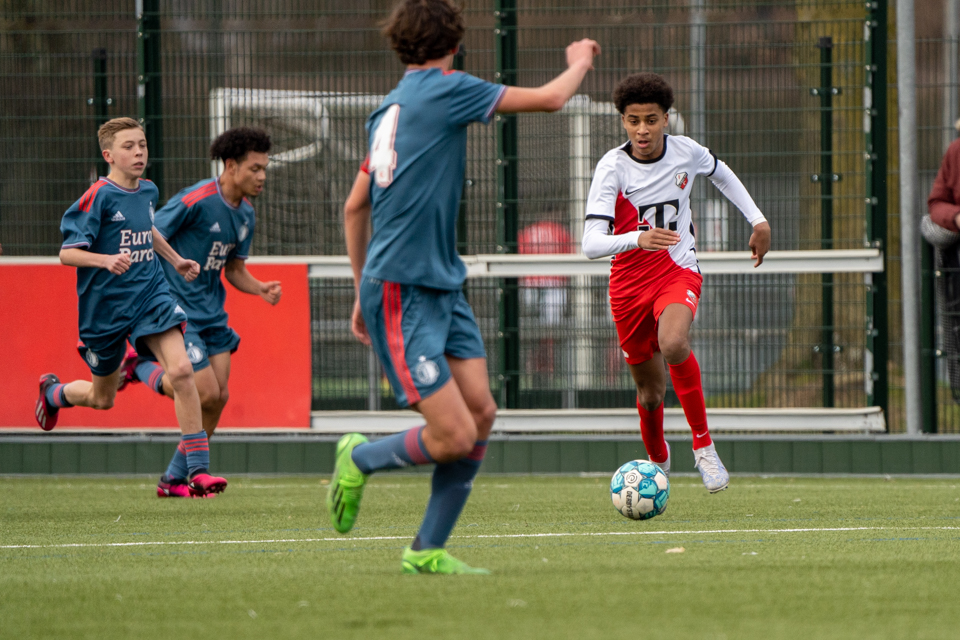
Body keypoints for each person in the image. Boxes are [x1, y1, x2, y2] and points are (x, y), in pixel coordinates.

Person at [332, 0, 599, 574]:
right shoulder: (446, 88)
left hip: (436, 286)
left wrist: (360, 288)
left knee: (479, 412)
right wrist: (579, 60)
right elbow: (552, 98)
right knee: (451, 435)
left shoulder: (388, 109)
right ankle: (361, 457)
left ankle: (426, 550)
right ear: (454, 42)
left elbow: (355, 208)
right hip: (404, 289)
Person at [581, 72, 771, 493]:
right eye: (633, 121)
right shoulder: (611, 167)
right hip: (628, 285)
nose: (642, 130)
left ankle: (704, 448)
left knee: (674, 343)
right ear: (623, 122)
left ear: (667, 118)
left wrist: (757, 220)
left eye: (651, 119)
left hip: (676, 270)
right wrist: (637, 238)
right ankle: (657, 459)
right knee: (650, 394)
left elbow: (722, 174)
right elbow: (590, 243)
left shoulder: (686, 153)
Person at [34, 116, 227, 498]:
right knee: (101, 398)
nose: (139, 152)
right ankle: (53, 393)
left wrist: (175, 260)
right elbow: (66, 253)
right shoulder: (98, 196)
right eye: (128, 146)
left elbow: (147, 229)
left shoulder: (149, 190)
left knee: (183, 370)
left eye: (142, 144)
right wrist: (104, 259)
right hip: (104, 310)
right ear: (108, 155)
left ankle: (197, 472)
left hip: (150, 297)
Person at [119, 127, 281, 497]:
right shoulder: (196, 199)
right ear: (230, 165)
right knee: (204, 391)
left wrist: (261, 289)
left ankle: (172, 480)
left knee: (218, 398)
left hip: (212, 315)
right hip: (177, 309)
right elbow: (149, 234)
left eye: (265, 169)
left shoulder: (246, 216)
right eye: (255, 168)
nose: (262, 177)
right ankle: (139, 366)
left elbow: (234, 270)